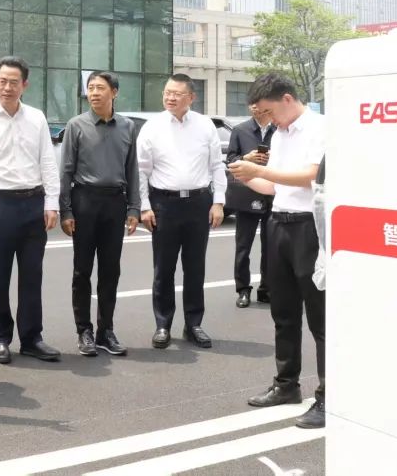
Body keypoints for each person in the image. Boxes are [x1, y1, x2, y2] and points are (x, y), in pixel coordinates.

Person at [228, 72, 326, 429]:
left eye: (269, 111)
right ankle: (286, 384)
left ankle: (328, 396)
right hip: (278, 223)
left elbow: (312, 176)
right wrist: (246, 176)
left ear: (287, 99)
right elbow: (274, 186)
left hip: (309, 227)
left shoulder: (319, 128)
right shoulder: (280, 133)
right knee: (283, 311)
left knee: (319, 316)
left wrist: (260, 170)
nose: (267, 120)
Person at [0, 56, 61, 364]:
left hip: (33, 204)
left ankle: (32, 338)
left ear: (25, 85)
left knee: (32, 275)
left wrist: (52, 203)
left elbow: (48, 161)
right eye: (2, 81)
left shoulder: (37, 118)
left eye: (14, 82)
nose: (7, 87)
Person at [137, 73, 227, 349]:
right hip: (164, 204)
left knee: (195, 267)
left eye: (177, 93)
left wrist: (218, 202)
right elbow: (141, 171)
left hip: (199, 203)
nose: (171, 98)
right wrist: (144, 206)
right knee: (163, 268)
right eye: (167, 92)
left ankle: (193, 324)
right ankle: (162, 324)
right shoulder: (152, 127)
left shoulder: (205, 125)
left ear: (191, 97)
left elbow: (216, 165)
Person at [59, 72, 140, 357]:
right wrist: (66, 209)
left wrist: (134, 207)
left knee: (110, 270)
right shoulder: (76, 125)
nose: (94, 93)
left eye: (100, 88)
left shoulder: (127, 127)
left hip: (114, 203)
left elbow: (132, 169)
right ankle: (84, 330)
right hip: (84, 201)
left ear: (114, 92)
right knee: (82, 270)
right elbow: (65, 170)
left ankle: (106, 331)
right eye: (90, 88)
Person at [225, 91, 277, 308]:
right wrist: (245, 158)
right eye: (251, 104)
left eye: (258, 104)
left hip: (272, 192)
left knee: (271, 246)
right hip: (246, 194)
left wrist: (272, 157)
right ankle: (243, 290)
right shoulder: (240, 130)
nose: (255, 107)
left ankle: (267, 289)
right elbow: (230, 160)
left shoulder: (278, 129)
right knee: (243, 246)